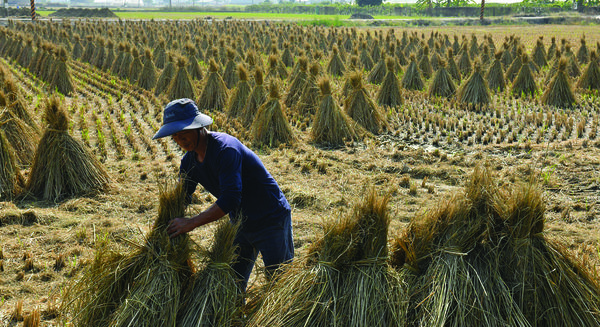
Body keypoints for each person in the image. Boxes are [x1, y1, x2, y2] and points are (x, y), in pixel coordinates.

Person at [152, 98, 294, 292]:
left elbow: (230, 198)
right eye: (174, 136)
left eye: (183, 134)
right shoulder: (189, 162)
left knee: (280, 282)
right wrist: (163, 228)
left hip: (270, 218)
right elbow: (182, 198)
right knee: (231, 283)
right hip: (241, 222)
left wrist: (191, 223)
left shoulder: (225, 150)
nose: (179, 141)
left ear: (199, 127)